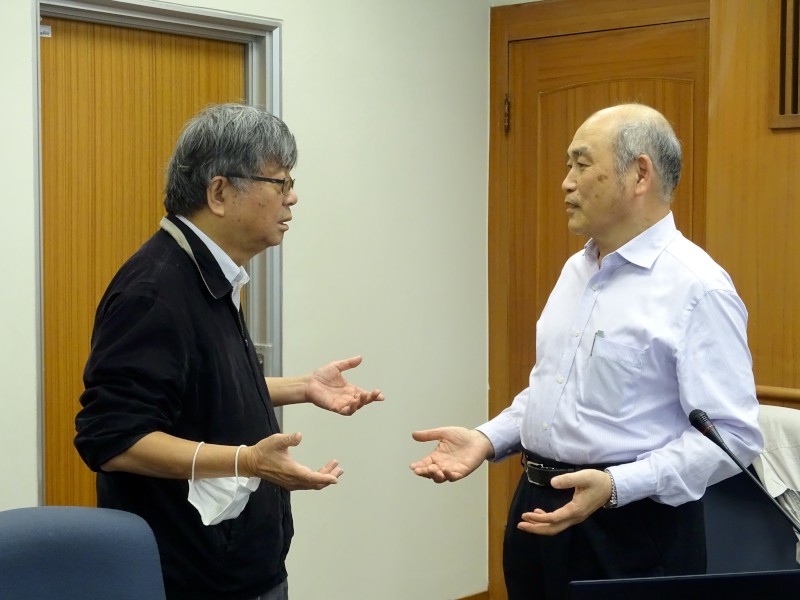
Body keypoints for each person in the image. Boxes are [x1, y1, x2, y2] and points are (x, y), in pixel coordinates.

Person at [411, 103, 763, 599]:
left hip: (633, 530)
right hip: (537, 509)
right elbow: (554, 393)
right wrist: (486, 440)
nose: (566, 182)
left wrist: (618, 486)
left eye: (581, 164)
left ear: (639, 174)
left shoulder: (698, 288)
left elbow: (734, 437)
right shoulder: (577, 270)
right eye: (567, 165)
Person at [74, 103, 383, 600]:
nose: (293, 197)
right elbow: (112, 440)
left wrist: (303, 387)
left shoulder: (210, 274)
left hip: (240, 569)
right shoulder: (154, 291)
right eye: (280, 182)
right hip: (190, 578)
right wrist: (248, 461)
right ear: (219, 193)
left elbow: (199, 387)